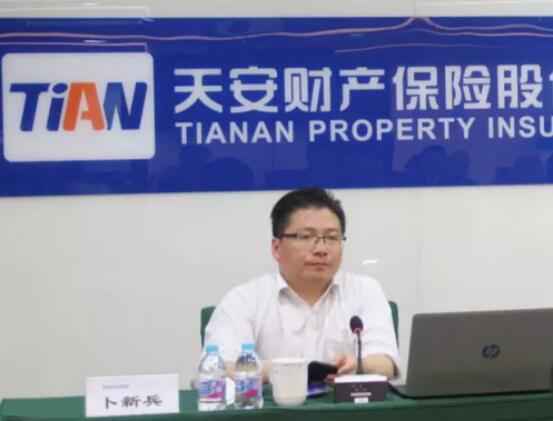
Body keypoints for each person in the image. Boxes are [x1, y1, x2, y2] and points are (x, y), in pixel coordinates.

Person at [204, 188, 399, 382]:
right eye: (306, 237)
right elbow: (216, 368)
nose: (321, 249)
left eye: (332, 238)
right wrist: (299, 371)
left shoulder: (364, 291)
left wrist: (357, 366)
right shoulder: (245, 299)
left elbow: (387, 363)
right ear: (276, 248)